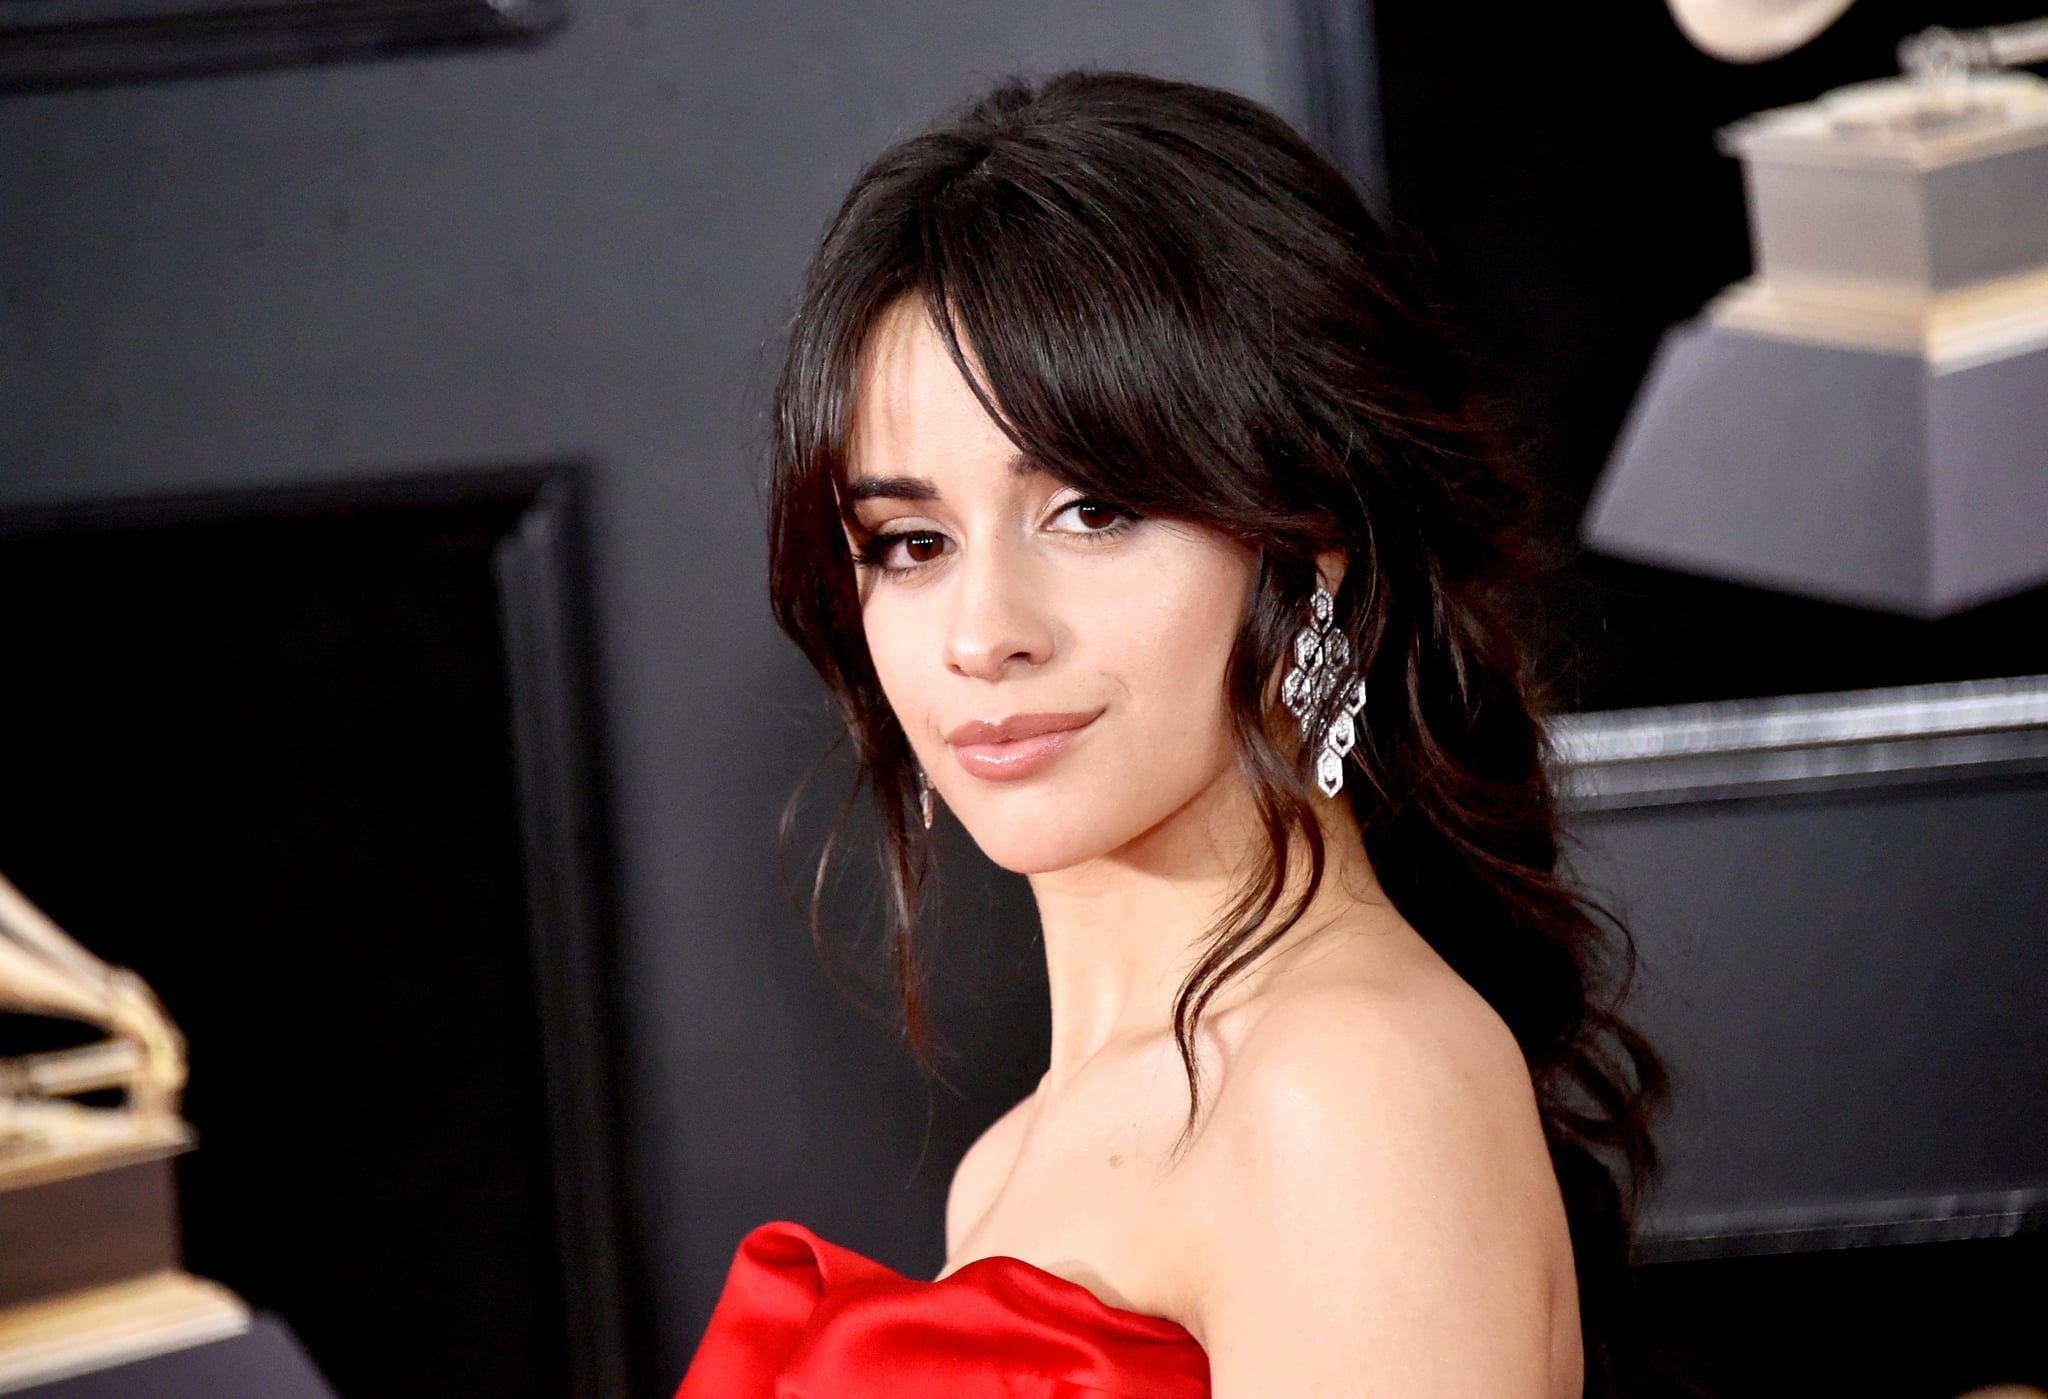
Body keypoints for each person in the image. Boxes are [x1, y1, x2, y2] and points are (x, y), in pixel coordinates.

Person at [675, 70, 1661, 1399]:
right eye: (910, 543)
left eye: (1091, 512)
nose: (985, 631)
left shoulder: (1344, 1089)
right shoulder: (1014, 1162)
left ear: (1315, 544)